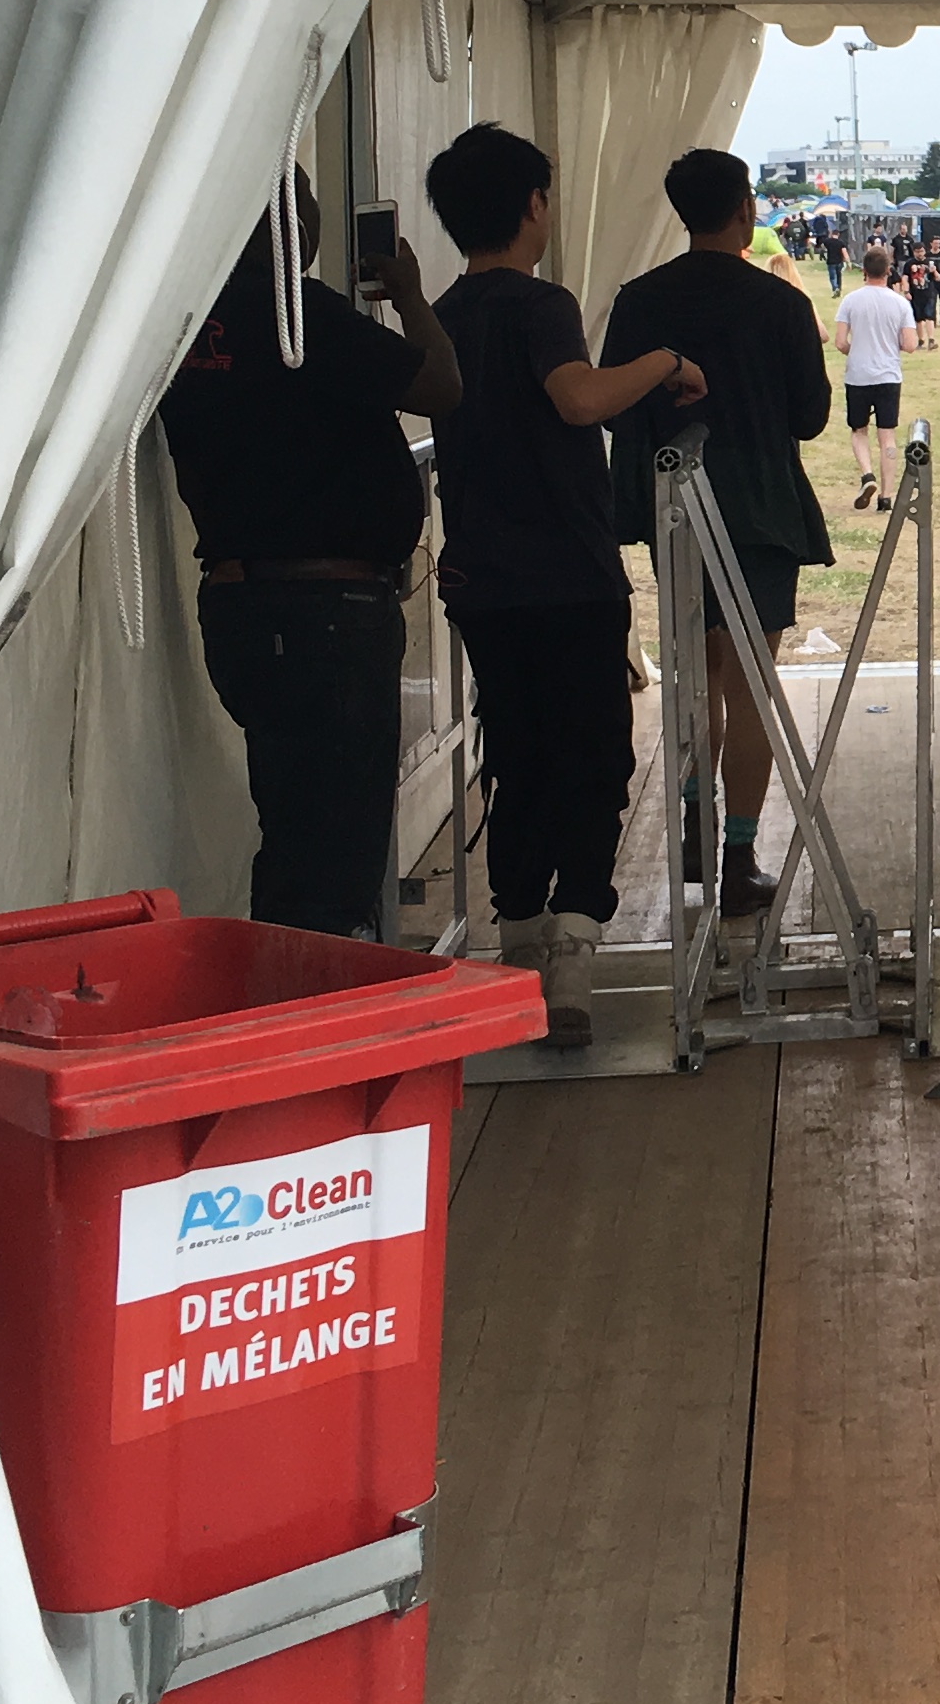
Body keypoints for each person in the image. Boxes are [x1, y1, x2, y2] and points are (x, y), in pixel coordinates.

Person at [425, 121, 703, 1048]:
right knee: (592, 758)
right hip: (568, 573)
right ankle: (575, 948)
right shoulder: (539, 304)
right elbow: (579, 398)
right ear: (533, 206)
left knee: (517, 754)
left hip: (483, 577)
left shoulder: (442, 312)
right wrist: (664, 363)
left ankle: (517, 942)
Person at [154, 173, 459, 940]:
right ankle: (317, 1003)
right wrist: (410, 298)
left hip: (241, 607)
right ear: (288, 227)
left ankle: (282, 985)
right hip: (326, 616)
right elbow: (441, 386)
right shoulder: (297, 312)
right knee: (336, 857)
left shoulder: (182, 320)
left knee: (294, 831)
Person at [601, 147, 836, 989]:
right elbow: (811, 416)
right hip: (761, 510)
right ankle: (738, 858)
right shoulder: (780, 301)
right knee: (751, 687)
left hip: (674, 511)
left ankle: (695, 830)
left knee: (694, 678)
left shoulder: (639, 300)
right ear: (744, 210)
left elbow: (616, 409)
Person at [835, 241, 913, 511]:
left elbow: (840, 342)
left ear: (864, 271)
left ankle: (867, 475)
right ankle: (886, 496)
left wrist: (857, 350)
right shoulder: (899, 303)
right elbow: (910, 344)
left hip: (858, 375)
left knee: (859, 430)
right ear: (888, 271)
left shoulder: (850, 301)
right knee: (887, 435)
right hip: (888, 375)